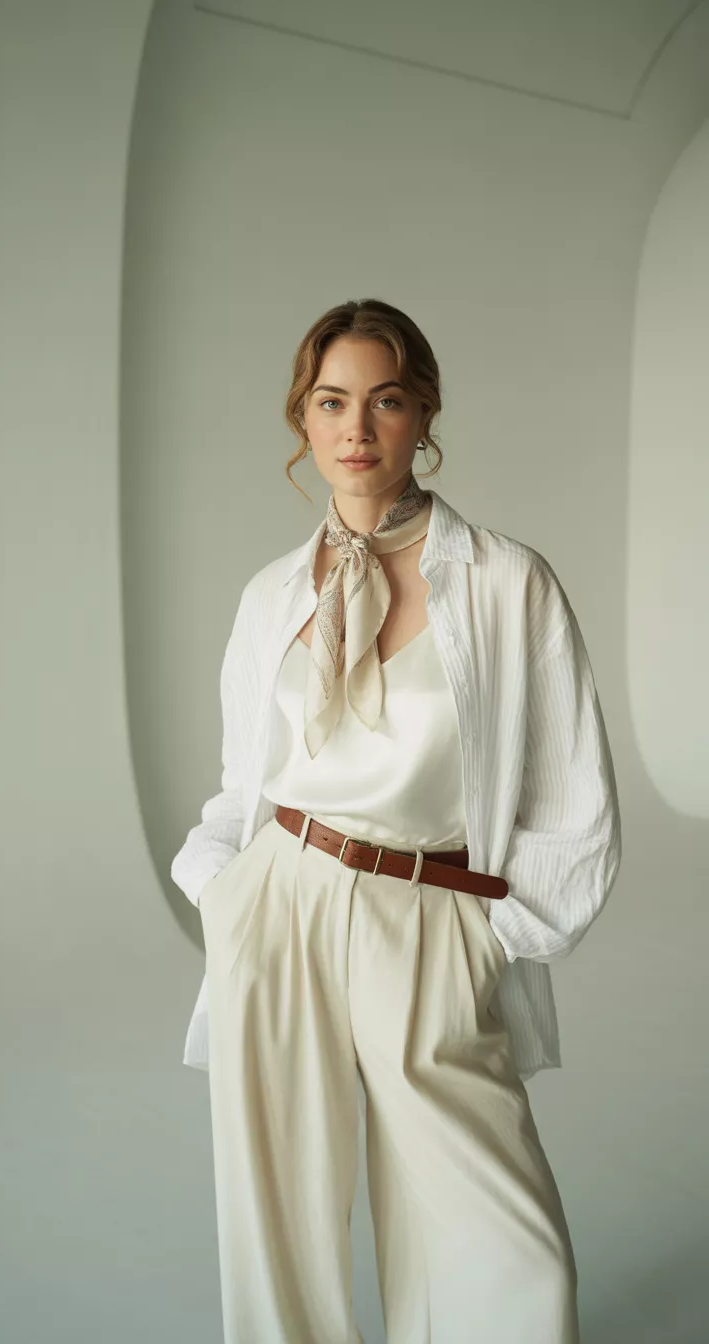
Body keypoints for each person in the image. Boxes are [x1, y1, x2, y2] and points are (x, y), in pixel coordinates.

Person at [171, 297, 622, 1343]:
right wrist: (224, 893)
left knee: (506, 1243)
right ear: (303, 416)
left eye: (385, 400)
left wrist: (494, 935)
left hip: (430, 912)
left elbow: (573, 795)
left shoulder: (507, 583)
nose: (357, 429)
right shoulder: (272, 594)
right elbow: (243, 778)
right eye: (332, 402)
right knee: (276, 1222)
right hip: (279, 903)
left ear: (424, 413)